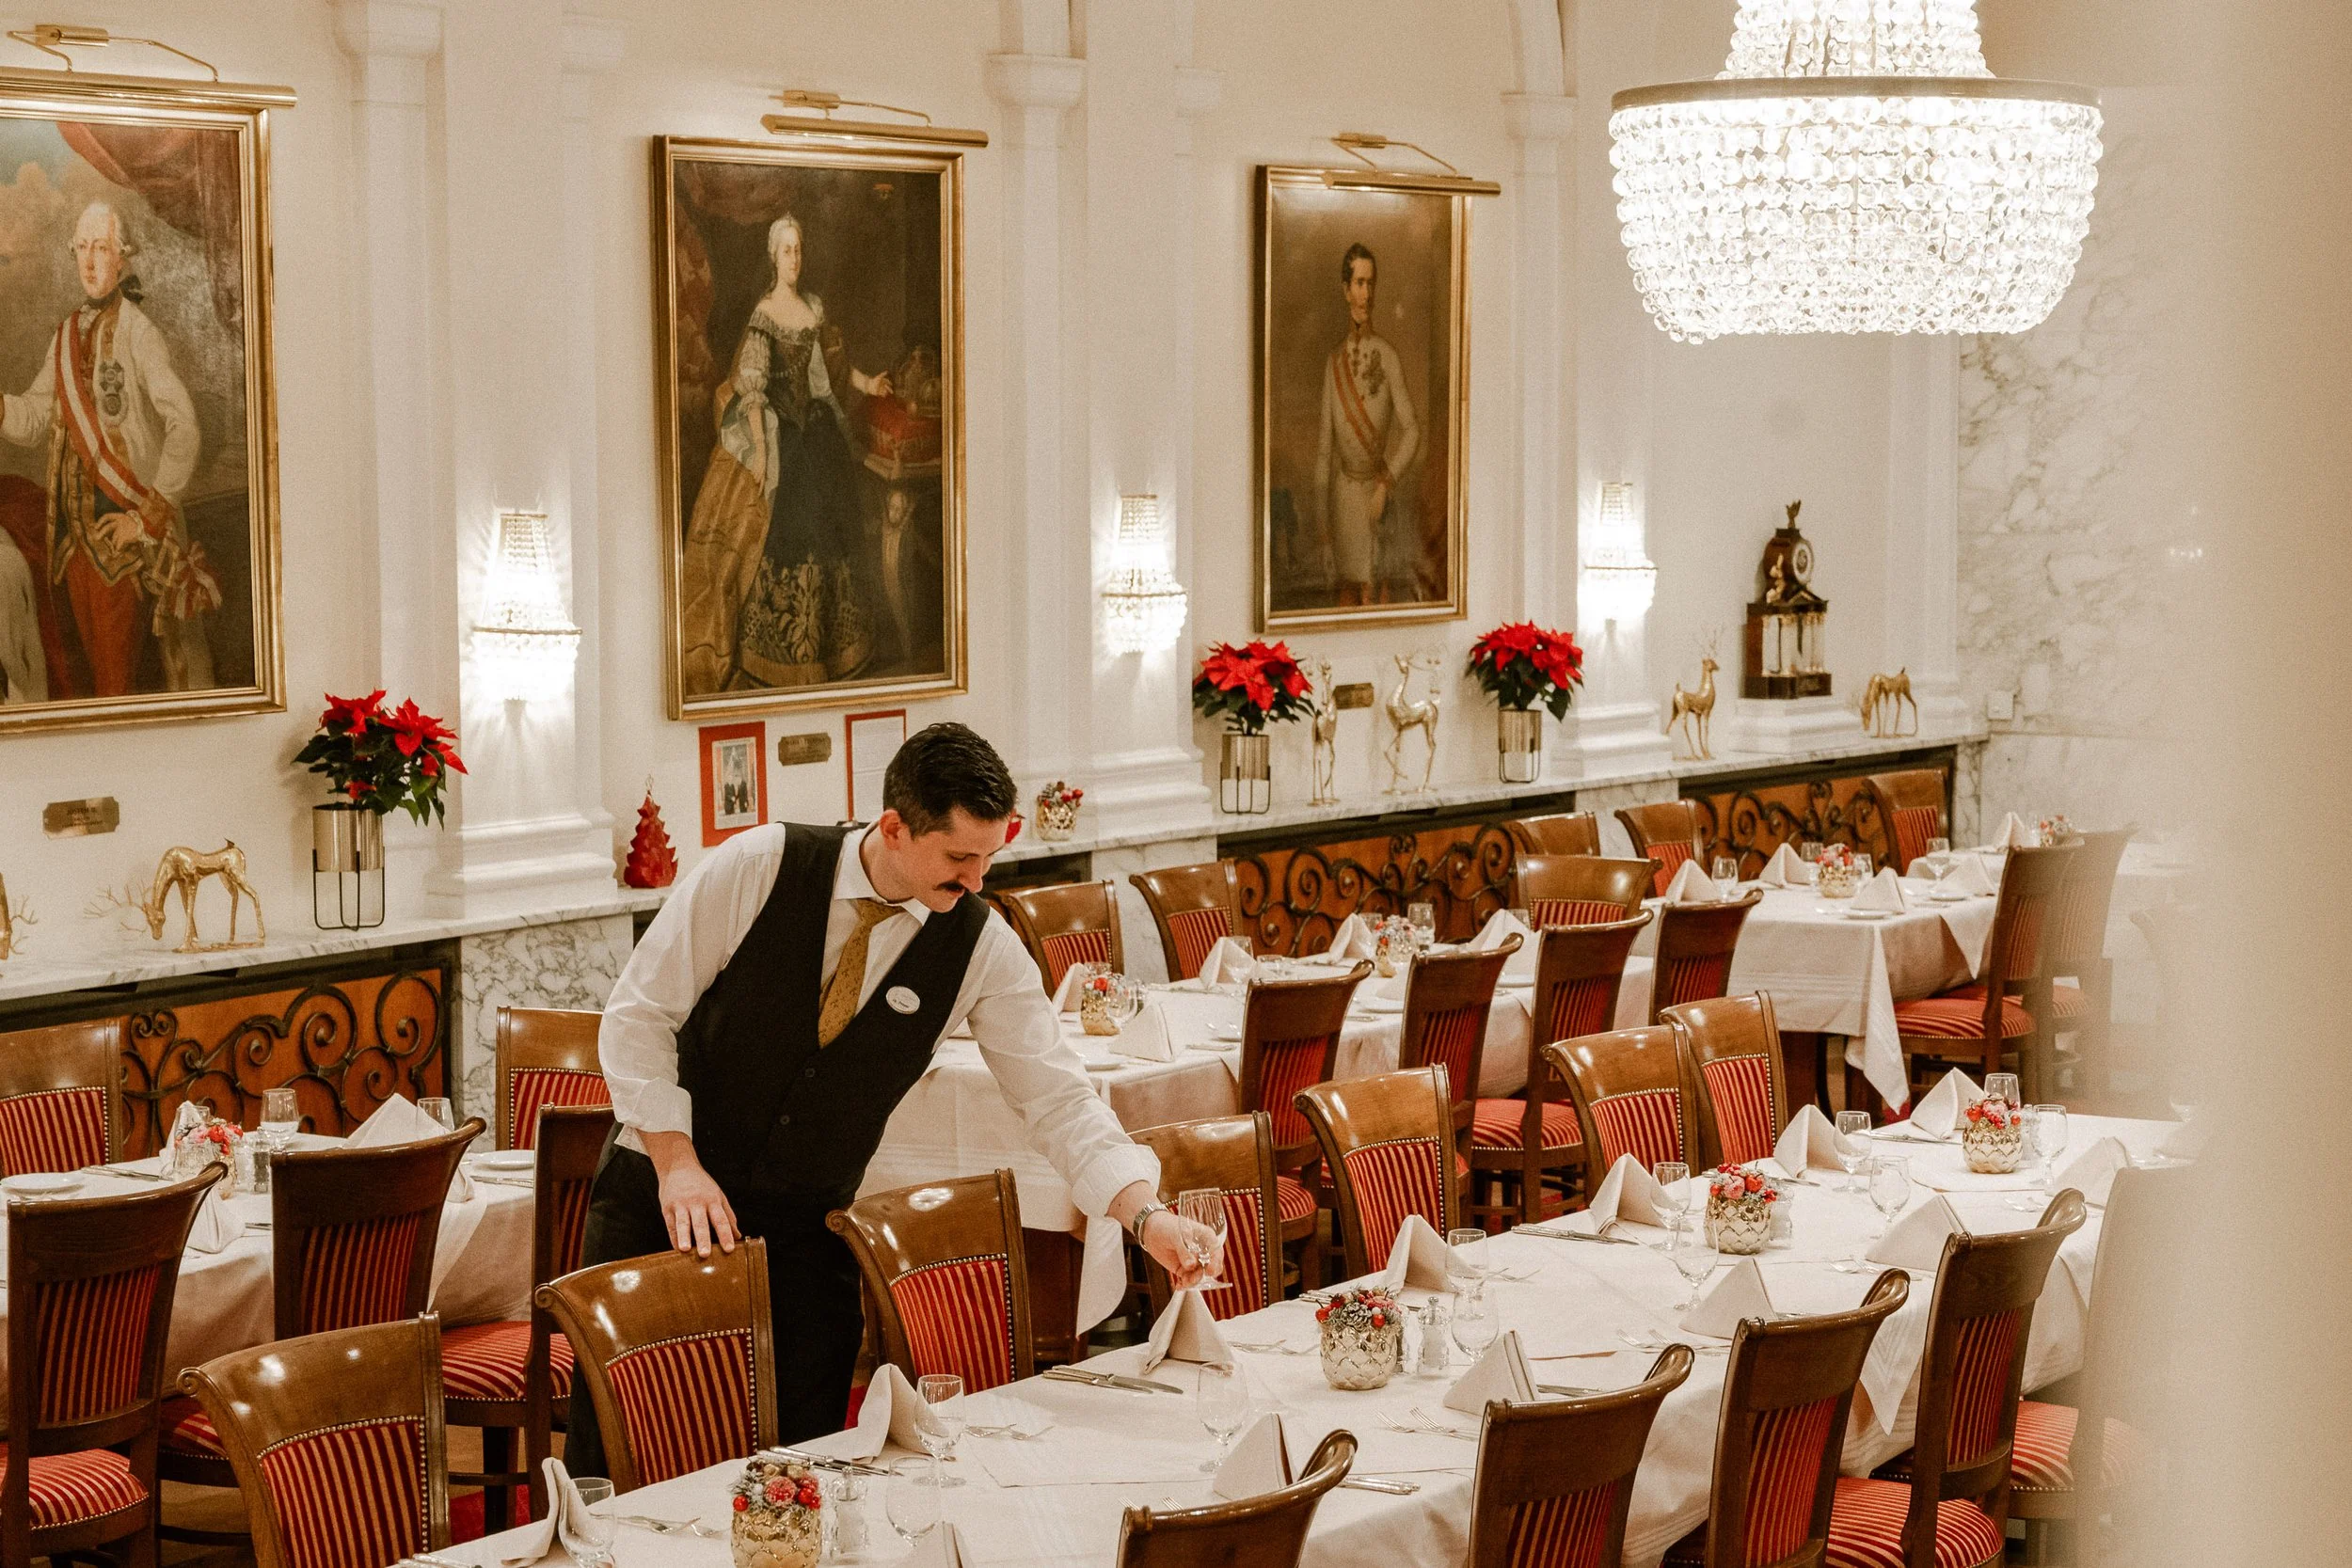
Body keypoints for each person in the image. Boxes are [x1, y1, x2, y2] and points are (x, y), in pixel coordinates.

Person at [578, 721, 1221, 1458]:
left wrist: (1146, 1216)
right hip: (660, 1204)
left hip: (804, 1247)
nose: (978, 880)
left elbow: (1059, 1099)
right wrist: (676, 1162)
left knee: (801, 1479)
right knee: (626, 1464)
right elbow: (636, 1014)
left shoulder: (980, 945)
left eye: (990, 854)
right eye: (958, 857)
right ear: (894, 826)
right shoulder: (763, 863)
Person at [0, 200, 216, 696]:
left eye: (102, 249)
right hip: (75, 546)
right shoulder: (65, 336)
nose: (91, 261)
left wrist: (146, 518)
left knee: (120, 686)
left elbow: (185, 426)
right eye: (82, 249)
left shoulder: (141, 334)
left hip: (125, 543)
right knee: (93, 686)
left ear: (122, 258)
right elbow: (35, 417)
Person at [1312, 242, 1420, 608]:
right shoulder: (1333, 363)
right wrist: (1323, 532)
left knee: (1378, 600)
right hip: (1343, 500)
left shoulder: (1387, 357)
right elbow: (1325, 452)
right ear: (1346, 290)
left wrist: (1386, 484)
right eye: (1359, 283)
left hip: (1378, 499)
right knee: (1345, 603)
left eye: (1371, 283)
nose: (1366, 293)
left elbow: (1412, 431)